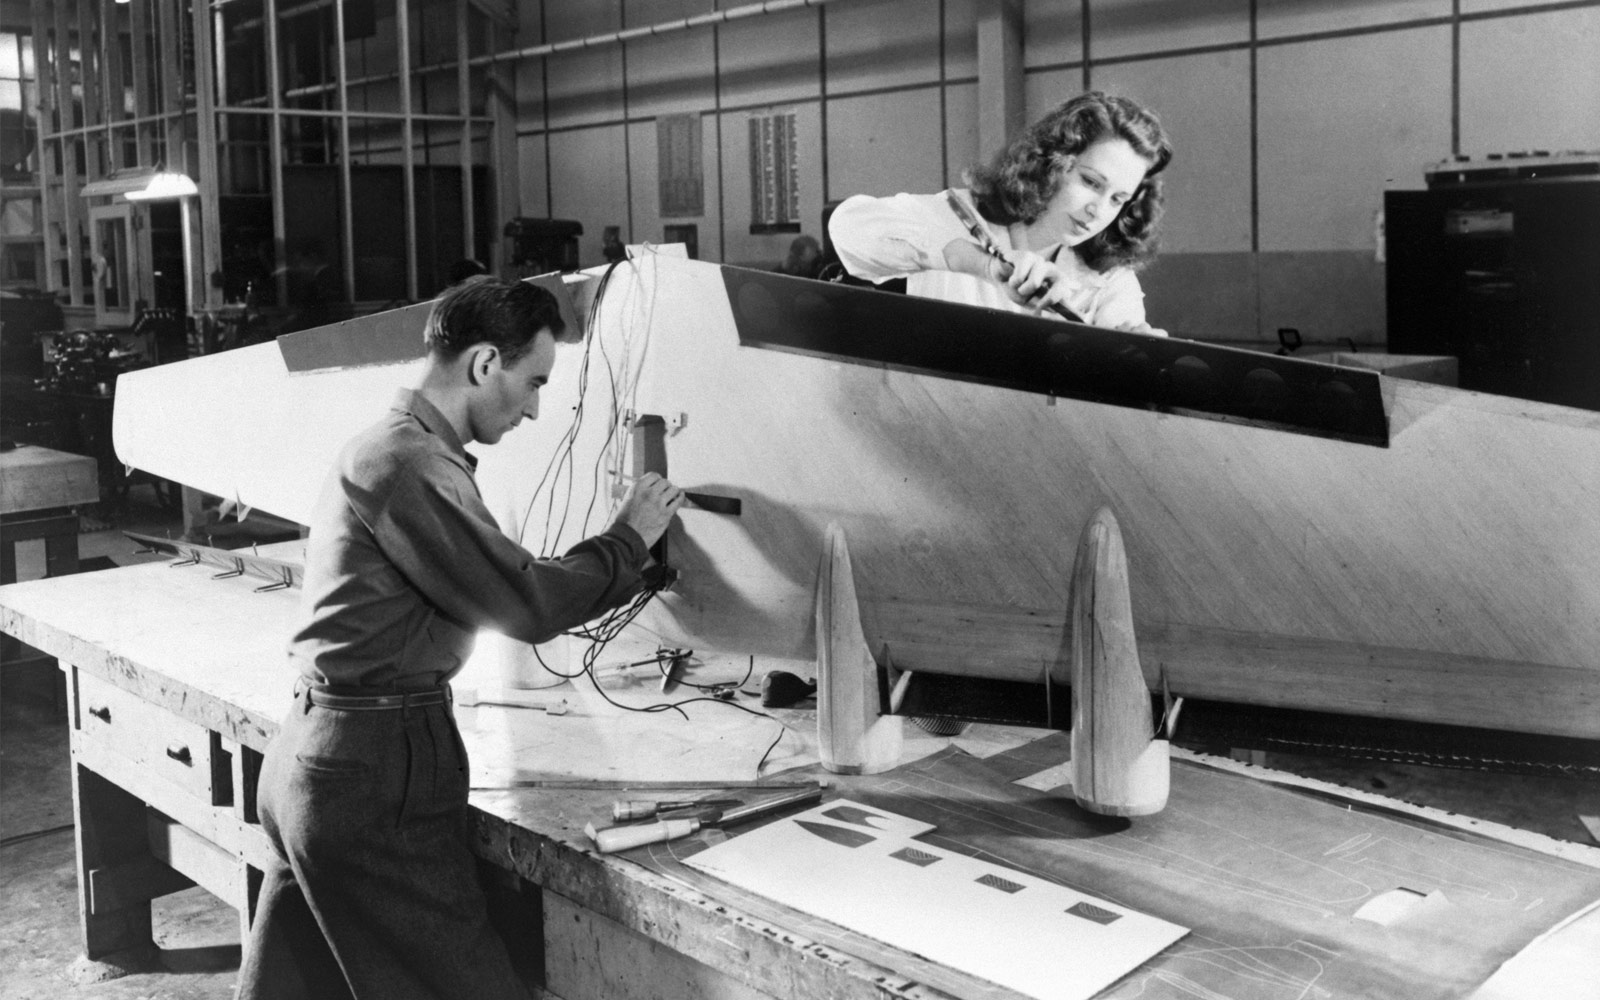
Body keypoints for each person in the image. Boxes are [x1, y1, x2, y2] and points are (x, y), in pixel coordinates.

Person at [238, 277, 685, 999]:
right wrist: (628, 538)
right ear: (483, 365)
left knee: (297, 988)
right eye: (533, 381)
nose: (537, 407)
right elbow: (527, 602)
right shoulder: (413, 464)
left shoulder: (385, 447)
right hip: (372, 770)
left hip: (321, 759)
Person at [828, 91, 1173, 334]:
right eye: (1091, 182)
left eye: (1118, 199)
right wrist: (986, 266)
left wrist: (1134, 344)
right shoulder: (958, 213)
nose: (1098, 210)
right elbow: (847, 228)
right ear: (1053, 162)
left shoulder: (1108, 275)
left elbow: (1122, 337)